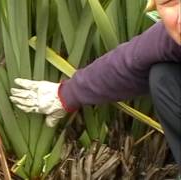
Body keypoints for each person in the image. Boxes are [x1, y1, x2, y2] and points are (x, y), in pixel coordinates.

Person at [9, 0, 181, 175]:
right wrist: (64, 95)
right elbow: (130, 61)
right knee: (165, 77)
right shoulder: (170, 38)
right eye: (169, 2)